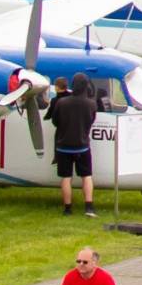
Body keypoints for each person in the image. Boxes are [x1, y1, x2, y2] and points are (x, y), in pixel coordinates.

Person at [47, 73, 100, 214]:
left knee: (66, 178)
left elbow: (55, 121)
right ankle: (89, 206)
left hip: (63, 146)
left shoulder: (61, 103)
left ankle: (68, 208)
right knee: (86, 176)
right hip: (82, 146)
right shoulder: (91, 104)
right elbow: (91, 120)